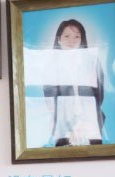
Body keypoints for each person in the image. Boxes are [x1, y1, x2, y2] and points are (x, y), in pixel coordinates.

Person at [43, 19, 105, 147]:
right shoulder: (51, 67)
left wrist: (85, 122)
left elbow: (99, 95)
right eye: (67, 36)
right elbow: (50, 101)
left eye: (77, 37)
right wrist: (67, 125)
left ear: (82, 40)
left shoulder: (92, 62)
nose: (72, 40)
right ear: (59, 40)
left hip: (90, 123)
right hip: (63, 124)